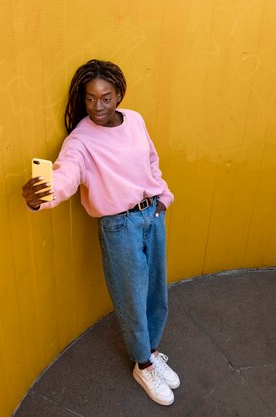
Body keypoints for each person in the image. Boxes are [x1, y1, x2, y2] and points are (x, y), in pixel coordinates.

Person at [21, 59, 179, 406]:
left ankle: (153, 352)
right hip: (119, 227)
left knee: (156, 290)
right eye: (90, 98)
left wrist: (163, 196)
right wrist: (42, 196)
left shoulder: (135, 120)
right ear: (83, 98)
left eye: (106, 97)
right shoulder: (80, 140)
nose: (98, 107)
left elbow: (151, 159)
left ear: (119, 94)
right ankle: (142, 365)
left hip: (152, 215)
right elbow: (67, 174)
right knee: (131, 299)